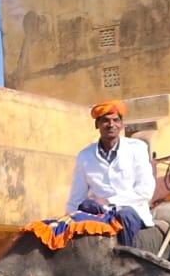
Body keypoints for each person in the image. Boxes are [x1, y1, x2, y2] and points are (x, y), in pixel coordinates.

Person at [66, 100, 155, 241]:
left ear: (122, 124)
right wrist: (68, 219)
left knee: (124, 215)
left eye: (115, 120)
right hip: (98, 212)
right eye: (105, 121)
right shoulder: (85, 156)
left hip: (131, 209)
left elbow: (145, 191)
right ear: (97, 125)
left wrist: (110, 201)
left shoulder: (137, 149)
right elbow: (76, 197)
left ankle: (126, 253)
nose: (111, 125)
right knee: (84, 207)